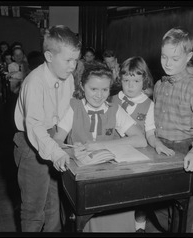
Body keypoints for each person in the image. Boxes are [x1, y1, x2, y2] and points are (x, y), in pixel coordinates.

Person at [52, 64, 147, 232]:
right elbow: (57, 140)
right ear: (82, 86)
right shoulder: (73, 107)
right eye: (93, 89)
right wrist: (71, 152)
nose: (99, 95)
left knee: (122, 203)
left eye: (105, 90)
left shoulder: (114, 109)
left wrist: (100, 145)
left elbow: (141, 140)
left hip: (109, 174)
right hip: (81, 176)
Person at [13, 25, 81, 232]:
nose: (73, 66)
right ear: (49, 56)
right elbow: (34, 126)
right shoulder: (34, 82)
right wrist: (55, 152)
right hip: (30, 143)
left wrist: (65, 141)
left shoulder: (67, 77)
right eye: (68, 60)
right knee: (34, 208)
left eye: (76, 60)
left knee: (53, 203)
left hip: (53, 138)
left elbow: (68, 110)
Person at [153, 27, 193, 232]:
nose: (168, 63)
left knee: (182, 209)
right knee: (158, 204)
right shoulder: (159, 85)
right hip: (158, 148)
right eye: (164, 57)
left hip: (183, 151)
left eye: (175, 58)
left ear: (188, 56)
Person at [111, 56, 175, 232]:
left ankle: (139, 226)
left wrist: (158, 145)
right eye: (126, 80)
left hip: (137, 155)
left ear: (144, 81)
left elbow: (149, 133)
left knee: (138, 195)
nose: (130, 86)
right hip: (114, 154)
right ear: (120, 80)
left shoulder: (149, 104)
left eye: (136, 81)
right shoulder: (112, 100)